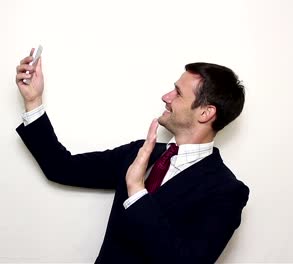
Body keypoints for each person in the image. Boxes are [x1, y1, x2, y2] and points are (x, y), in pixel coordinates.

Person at [15, 48, 249, 264]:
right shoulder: (141, 153)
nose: (166, 96)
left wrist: (137, 191)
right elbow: (61, 167)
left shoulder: (226, 191)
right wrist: (33, 101)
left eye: (177, 93)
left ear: (206, 113)